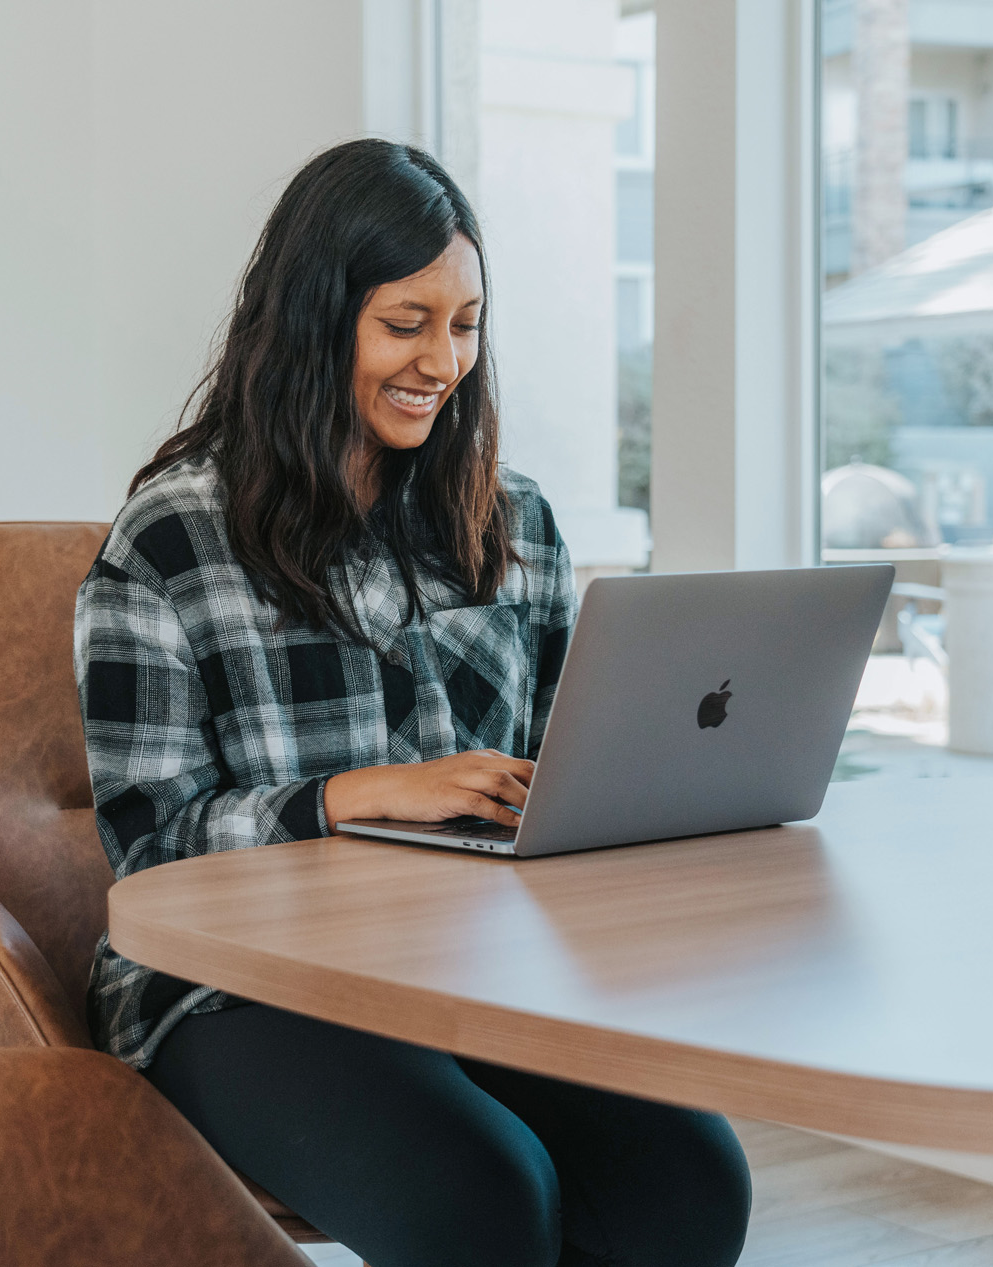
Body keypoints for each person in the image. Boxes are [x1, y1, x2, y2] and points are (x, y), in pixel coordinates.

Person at [76, 138, 751, 1267]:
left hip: (473, 973)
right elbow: (148, 847)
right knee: (481, 1193)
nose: (444, 360)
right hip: (233, 988)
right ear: (311, 319)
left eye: (466, 323)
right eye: (406, 322)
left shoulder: (514, 525)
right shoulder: (172, 539)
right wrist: (359, 796)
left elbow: (557, 775)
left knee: (692, 1180)